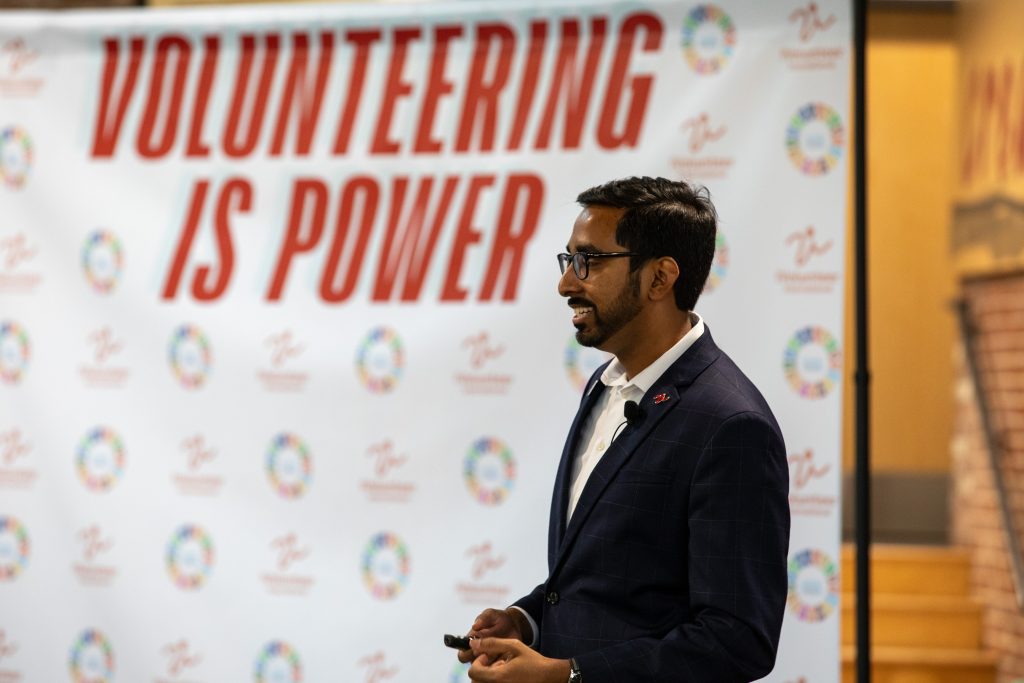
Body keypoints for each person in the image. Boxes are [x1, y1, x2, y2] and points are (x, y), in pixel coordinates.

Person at [457, 176, 790, 683]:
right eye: (567, 260)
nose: (567, 283)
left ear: (659, 279)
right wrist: (527, 621)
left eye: (588, 261)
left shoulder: (732, 426)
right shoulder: (604, 384)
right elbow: (609, 582)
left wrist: (571, 675)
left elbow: (738, 639)